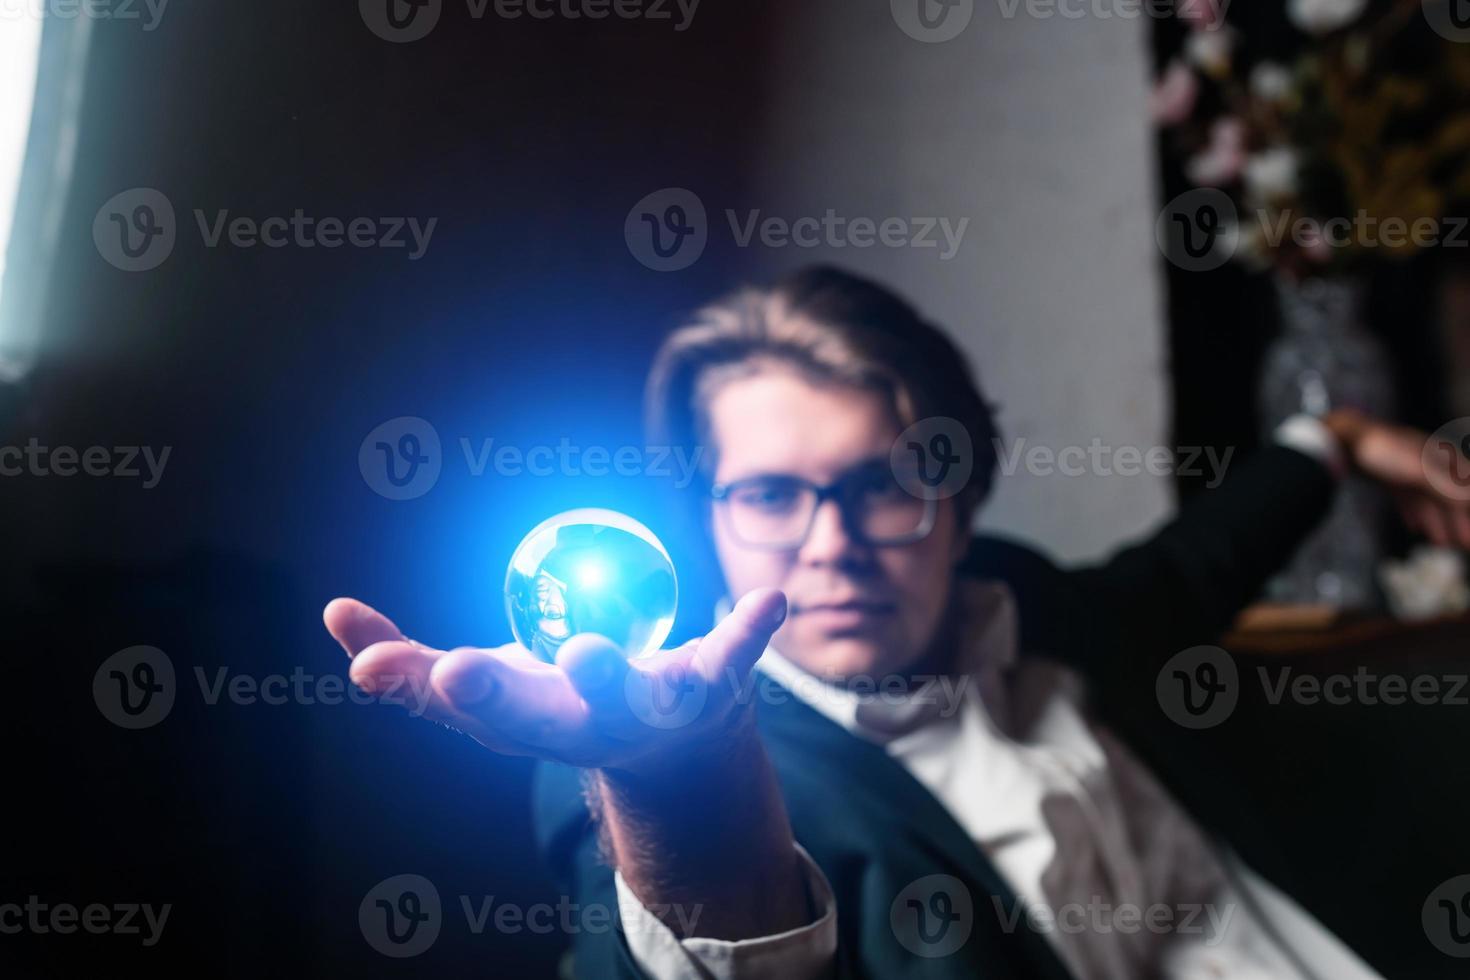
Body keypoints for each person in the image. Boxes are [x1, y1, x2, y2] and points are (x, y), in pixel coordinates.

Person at [324, 266, 1470, 978]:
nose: (831, 541)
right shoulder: (637, 757)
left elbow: (1193, 562)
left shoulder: (1027, 599)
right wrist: (678, 787)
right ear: (706, 516)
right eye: (770, 492)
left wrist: (1344, 438)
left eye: (882, 483)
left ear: (960, 500)